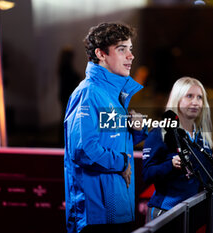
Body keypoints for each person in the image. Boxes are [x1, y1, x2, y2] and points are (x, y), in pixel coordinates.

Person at [64, 22, 148, 233]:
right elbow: (84, 150)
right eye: (122, 49)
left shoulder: (111, 94)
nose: (131, 56)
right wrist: (122, 162)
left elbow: (112, 141)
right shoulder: (89, 93)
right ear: (101, 54)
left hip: (116, 208)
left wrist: (136, 131)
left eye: (130, 49)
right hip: (96, 215)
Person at [142, 77, 213, 222]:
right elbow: (147, 174)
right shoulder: (159, 133)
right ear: (177, 99)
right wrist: (170, 165)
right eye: (189, 96)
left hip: (192, 212)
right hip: (165, 213)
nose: (195, 102)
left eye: (199, 97)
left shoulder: (201, 137)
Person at [58, 46, 81, 146]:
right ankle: (64, 138)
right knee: (67, 117)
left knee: (66, 116)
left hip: (65, 94)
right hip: (67, 95)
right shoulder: (65, 68)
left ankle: (64, 138)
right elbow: (71, 79)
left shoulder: (62, 66)